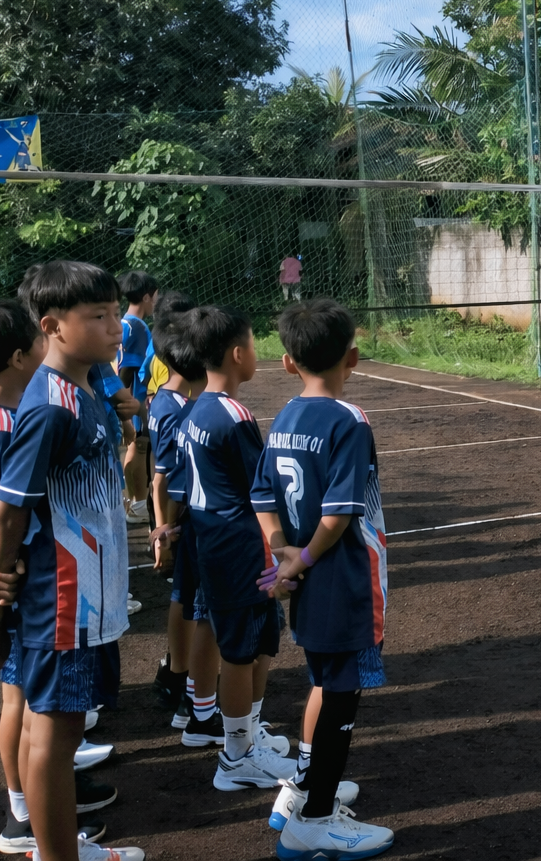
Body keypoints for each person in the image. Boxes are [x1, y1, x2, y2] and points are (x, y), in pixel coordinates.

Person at [0, 261, 144, 861]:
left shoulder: (88, 382)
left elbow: (113, 400)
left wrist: (127, 416)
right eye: (98, 316)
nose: (115, 326)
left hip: (89, 597)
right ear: (52, 326)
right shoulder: (49, 406)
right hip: (64, 600)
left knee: (66, 728)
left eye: (115, 312)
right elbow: (7, 512)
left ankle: (58, 847)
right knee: (55, 730)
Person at [0, 299, 114, 853]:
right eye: (41, 340)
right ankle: (24, 816)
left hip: (8, 581)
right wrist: (1, 587)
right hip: (18, 588)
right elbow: (0, 517)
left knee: (27, 705)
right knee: (22, 704)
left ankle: (35, 810)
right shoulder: (2, 426)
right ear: (23, 355)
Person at [253, 298, 393, 858]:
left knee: (325, 682)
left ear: (288, 362)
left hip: (307, 580)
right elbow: (338, 515)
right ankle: (314, 821)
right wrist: (302, 559)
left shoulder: (284, 416)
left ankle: (303, 791)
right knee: (341, 696)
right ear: (352, 357)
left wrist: (282, 553)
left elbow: (262, 495)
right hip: (343, 579)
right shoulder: (348, 420)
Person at [178, 305, 296, 790]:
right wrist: (284, 546)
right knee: (242, 651)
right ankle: (236, 755)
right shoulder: (233, 415)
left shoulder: (198, 409)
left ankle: (248, 737)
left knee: (257, 641)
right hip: (240, 549)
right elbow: (261, 488)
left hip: (217, 544)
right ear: (237, 353)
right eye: (252, 343)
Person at [145, 293, 220, 744]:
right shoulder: (181, 409)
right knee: (196, 605)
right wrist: (166, 530)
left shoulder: (163, 401)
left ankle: (180, 678)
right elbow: (166, 480)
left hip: (181, 518)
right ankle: (186, 686)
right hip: (191, 519)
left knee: (185, 598)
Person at [116, 271, 159, 526]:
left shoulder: (122, 322)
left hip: (128, 398)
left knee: (134, 448)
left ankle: (135, 503)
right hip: (135, 399)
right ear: (146, 297)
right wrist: (128, 405)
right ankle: (139, 504)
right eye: (155, 296)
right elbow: (128, 369)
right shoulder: (139, 327)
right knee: (139, 448)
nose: (156, 302)